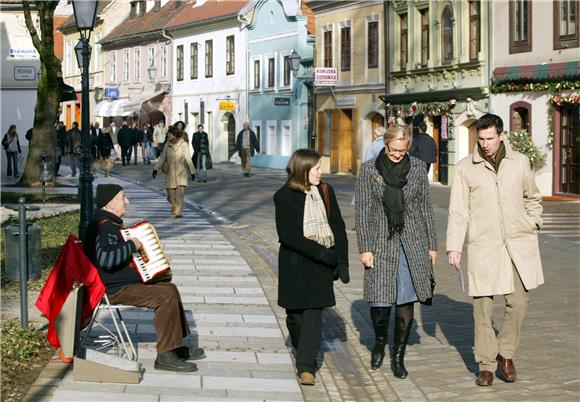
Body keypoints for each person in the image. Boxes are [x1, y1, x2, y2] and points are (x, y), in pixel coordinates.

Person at [446, 113, 544, 387]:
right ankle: (487, 365)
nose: (485, 144)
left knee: (519, 303)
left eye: (490, 138)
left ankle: (506, 354)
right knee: (483, 310)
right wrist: (454, 246)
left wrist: (533, 221)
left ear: (501, 136)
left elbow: (532, 197)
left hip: (517, 244)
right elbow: (458, 211)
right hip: (484, 247)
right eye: (481, 139)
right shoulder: (466, 167)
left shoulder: (520, 163)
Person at [84, 184, 205, 372]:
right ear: (109, 203)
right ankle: (165, 356)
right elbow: (107, 259)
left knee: (169, 288)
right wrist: (132, 244)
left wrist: (153, 262)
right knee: (164, 297)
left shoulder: (108, 223)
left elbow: (116, 259)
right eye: (123, 197)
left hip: (116, 282)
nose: (127, 201)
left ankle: (176, 346)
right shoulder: (103, 227)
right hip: (111, 289)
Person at [355, 124, 437, 379]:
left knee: (405, 298)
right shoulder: (369, 170)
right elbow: (362, 211)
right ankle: (380, 342)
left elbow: (425, 207)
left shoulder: (418, 168)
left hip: (411, 241)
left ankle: (398, 357)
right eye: (393, 149)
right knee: (380, 304)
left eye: (402, 151)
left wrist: (432, 245)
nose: (397, 155)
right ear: (385, 144)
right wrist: (365, 248)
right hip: (380, 242)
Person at [274, 149, 349, 386]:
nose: (321, 172)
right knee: (296, 317)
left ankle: (306, 367)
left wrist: (340, 261)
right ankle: (301, 347)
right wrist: (321, 253)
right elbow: (288, 236)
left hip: (321, 266)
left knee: (314, 316)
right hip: (295, 264)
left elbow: (338, 226)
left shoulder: (326, 191)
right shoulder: (284, 196)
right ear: (303, 170)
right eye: (316, 168)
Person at [152, 128, 196, 218]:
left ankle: (178, 212)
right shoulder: (167, 144)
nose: (167, 135)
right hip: (170, 173)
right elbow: (163, 158)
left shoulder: (184, 144)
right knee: (170, 195)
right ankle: (174, 205)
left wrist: (192, 172)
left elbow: (188, 158)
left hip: (181, 172)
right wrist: (155, 169)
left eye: (169, 134)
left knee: (180, 194)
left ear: (174, 135)